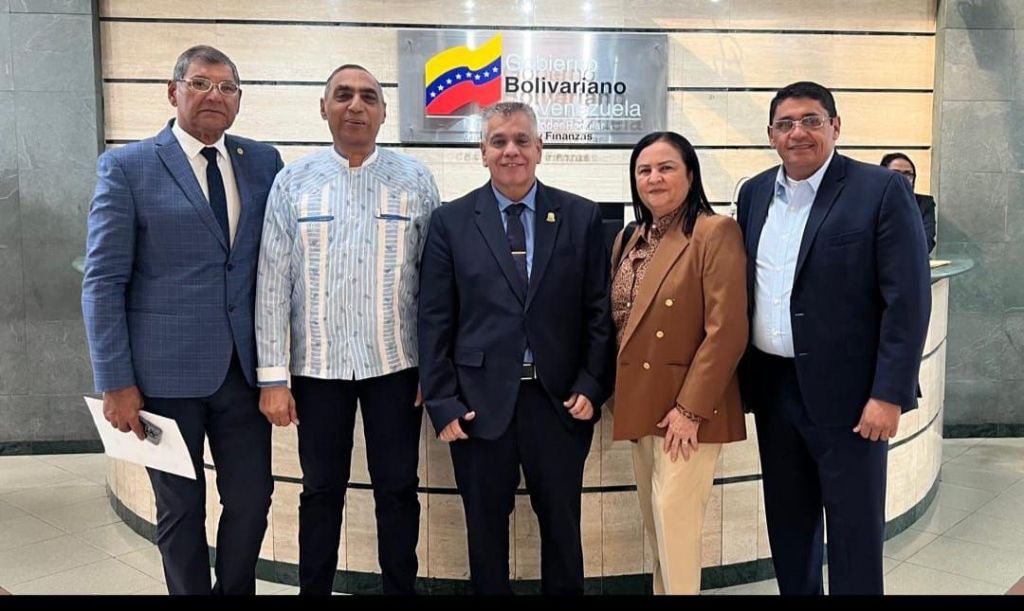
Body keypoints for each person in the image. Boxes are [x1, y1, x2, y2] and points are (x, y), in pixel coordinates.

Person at [81, 45, 282, 594]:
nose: (214, 95)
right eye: (200, 83)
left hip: (243, 373)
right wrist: (115, 382)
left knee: (253, 499)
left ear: (239, 100)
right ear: (173, 92)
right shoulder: (128, 166)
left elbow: (276, 263)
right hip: (162, 379)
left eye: (227, 87)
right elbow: (103, 281)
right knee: (180, 507)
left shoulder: (263, 162)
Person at [736, 81, 931, 595]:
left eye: (811, 120)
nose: (797, 133)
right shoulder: (753, 193)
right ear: (771, 135)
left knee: (854, 538)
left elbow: (908, 301)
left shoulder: (879, 190)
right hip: (774, 392)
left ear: (836, 126)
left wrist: (889, 393)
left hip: (853, 401)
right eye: (785, 124)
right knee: (789, 531)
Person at [255, 64, 440, 595]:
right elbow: (272, 281)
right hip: (317, 370)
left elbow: (434, 282)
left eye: (368, 97)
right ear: (324, 108)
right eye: (343, 95)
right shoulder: (293, 181)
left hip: (396, 367)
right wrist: (273, 378)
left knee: (398, 490)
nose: (356, 105)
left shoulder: (415, 180)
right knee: (320, 491)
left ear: (383, 113)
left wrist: (434, 369)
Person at [417, 101, 615, 595]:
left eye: (522, 140)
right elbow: (434, 318)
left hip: (558, 403)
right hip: (477, 406)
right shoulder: (450, 221)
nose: (511, 151)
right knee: (484, 534)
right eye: (499, 141)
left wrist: (592, 383)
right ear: (482, 151)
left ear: (539, 148)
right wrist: (442, 402)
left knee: (563, 530)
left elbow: (599, 310)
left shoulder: (580, 216)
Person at [609, 131, 748, 595]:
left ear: (690, 174)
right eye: (644, 170)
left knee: (676, 525)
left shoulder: (714, 232)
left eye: (666, 167)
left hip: (688, 413)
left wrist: (690, 410)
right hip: (640, 403)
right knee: (658, 528)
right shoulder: (629, 238)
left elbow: (727, 330)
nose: (654, 178)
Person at [880, 152, 937, 253]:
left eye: (908, 175)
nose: (902, 179)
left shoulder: (924, 204)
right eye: (896, 174)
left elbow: (925, 242)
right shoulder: (871, 202)